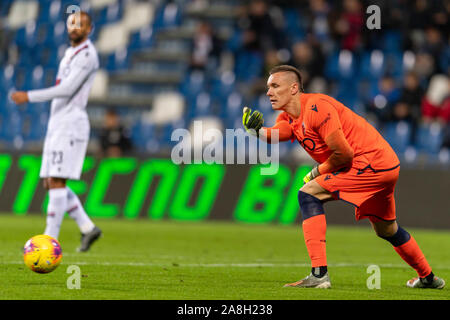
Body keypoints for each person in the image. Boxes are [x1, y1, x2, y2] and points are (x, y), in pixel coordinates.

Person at [242, 64, 445, 289]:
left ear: (293, 88)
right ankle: (428, 278)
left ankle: (319, 275)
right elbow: (278, 133)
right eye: (268, 86)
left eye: (274, 86)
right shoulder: (289, 117)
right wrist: (256, 131)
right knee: (387, 229)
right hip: (385, 165)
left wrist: (315, 172)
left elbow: (344, 155)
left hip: (369, 163)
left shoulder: (317, 108)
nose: (268, 91)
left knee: (308, 194)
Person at [11, 11, 102, 252]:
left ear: (90, 29)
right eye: (72, 24)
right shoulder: (69, 54)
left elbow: (67, 90)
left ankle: (49, 242)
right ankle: (88, 228)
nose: (75, 28)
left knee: (57, 180)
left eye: (81, 24)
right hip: (58, 122)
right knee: (50, 183)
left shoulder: (88, 55)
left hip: (71, 124)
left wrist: (29, 96)